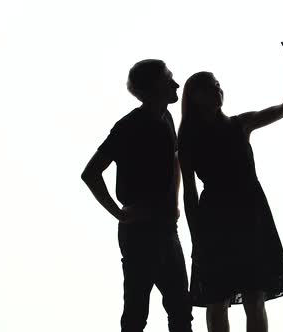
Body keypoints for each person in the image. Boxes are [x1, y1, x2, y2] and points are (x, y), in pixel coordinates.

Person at [178, 51, 283, 332]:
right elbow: (188, 192)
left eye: (217, 84)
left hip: (251, 216)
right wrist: (196, 236)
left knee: (254, 295)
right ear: (196, 96)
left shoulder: (240, 123)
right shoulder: (189, 139)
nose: (217, 89)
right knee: (217, 299)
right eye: (209, 86)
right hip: (217, 218)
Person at [81, 59, 193, 332]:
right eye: (169, 78)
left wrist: (174, 200)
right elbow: (91, 173)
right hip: (141, 232)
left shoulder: (166, 118)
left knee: (179, 310)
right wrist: (119, 212)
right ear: (155, 85)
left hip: (167, 228)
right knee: (137, 313)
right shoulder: (129, 126)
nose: (175, 84)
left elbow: (174, 159)